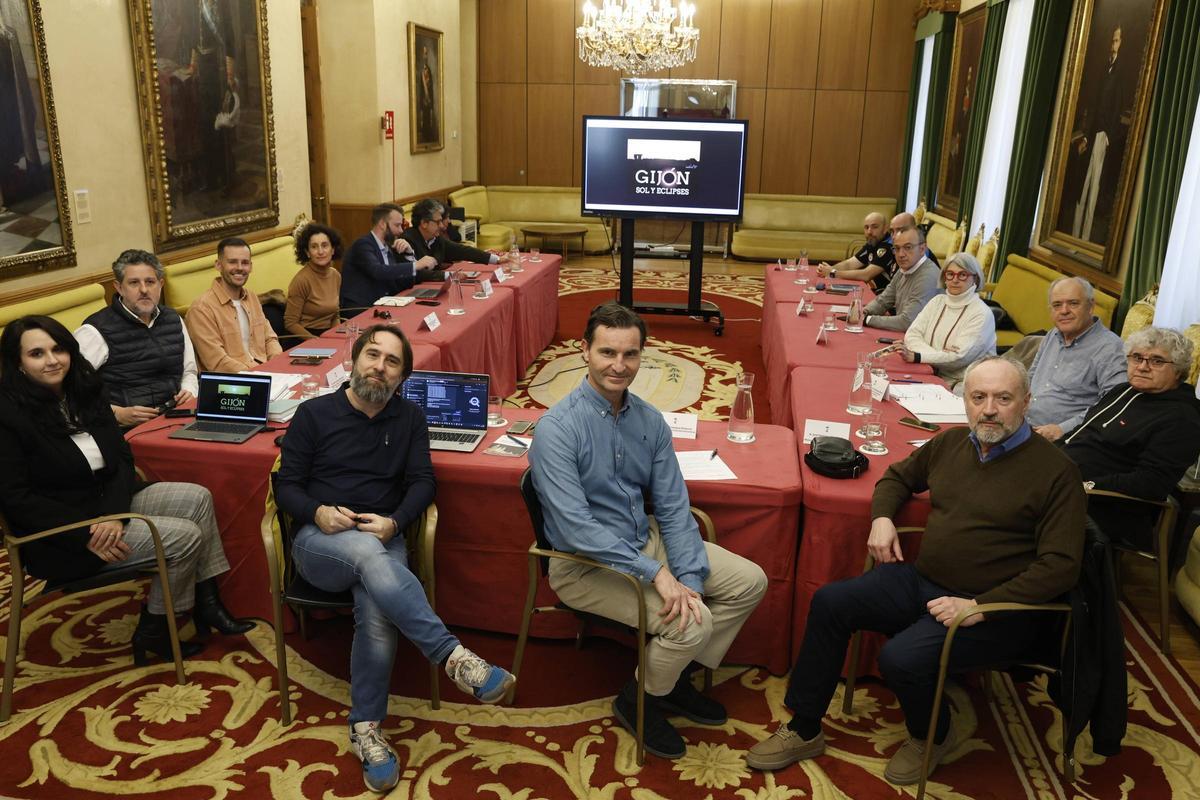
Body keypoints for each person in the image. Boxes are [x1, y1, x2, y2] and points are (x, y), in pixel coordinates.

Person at [746, 356, 1087, 786]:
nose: (989, 409)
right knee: (831, 601)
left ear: (1026, 401)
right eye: (978, 397)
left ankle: (932, 734)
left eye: (1003, 398)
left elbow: (1062, 566)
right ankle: (805, 726)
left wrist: (982, 605)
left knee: (900, 658)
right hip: (925, 582)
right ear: (965, 400)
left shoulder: (1057, 472)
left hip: (995, 608)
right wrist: (883, 518)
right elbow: (894, 479)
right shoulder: (951, 443)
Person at [276, 324, 514, 794]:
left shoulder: (409, 418)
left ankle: (365, 729)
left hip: (382, 538)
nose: (379, 367)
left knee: (376, 610)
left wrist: (396, 521)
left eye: (392, 362)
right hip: (320, 543)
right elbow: (286, 486)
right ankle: (452, 656)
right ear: (353, 358)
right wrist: (318, 512)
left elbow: (422, 482)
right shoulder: (313, 414)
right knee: (368, 553)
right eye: (372, 355)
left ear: (402, 376)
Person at [528, 302, 767, 760]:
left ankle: (669, 680)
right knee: (694, 623)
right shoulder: (557, 429)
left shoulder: (650, 420)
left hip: (645, 538)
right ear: (585, 352)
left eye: (630, 354)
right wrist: (657, 573)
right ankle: (637, 700)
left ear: (643, 355)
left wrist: (689, 579)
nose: (619, 365)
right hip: (585, 565)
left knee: (748, 582)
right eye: (607, 352)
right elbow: (575, 528)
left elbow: (676, 507)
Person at [0, 316, 252, 665]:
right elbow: (15, 498)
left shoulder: (83, 390)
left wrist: (113, 515)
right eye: (37, 354)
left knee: (197, 497)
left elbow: (120, 458)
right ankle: (155, 630)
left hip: (105, 508)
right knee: (185, 537)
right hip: (63, 537)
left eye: (58, 349)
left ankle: (207, 605)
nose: (52, 360)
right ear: (18, 363)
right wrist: (87, 530)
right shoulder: (9, 415)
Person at [1060, 327, 1200, 551]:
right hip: (1065, 483)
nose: (1143, 367)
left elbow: (1150, 484)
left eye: (1156, 361)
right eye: (1137, 357)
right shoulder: (1124, 390)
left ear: (1178, 370)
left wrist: (1084, 485)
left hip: (1107, 505)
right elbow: (1080, 433)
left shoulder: (1182, 419)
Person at [75, 249, 199, 428]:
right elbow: (71, 391)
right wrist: (116, 414)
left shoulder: (173, 319)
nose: (144, 290)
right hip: (126, 428)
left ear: (161, 284)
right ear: (119, 287)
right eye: (134, 283)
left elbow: (189, 371)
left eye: (150, 282)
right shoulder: (94, 331)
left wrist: (189, 391)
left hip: (178, 417)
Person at [1026, 277, 1127, 441]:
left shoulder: (1110, 348)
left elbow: (1112, 405)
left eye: (1073, 303)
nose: (1064, 310)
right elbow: (1031, 377)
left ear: (1091, 307)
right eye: (1057, 305)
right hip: (1023, 425)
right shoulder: (1053, 334)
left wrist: (1061, 429)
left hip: (1063, 437)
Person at [1070, 25, 1133, 244]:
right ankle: (1075, 236)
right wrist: (1086, 135)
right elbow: (1095, 105)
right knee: (1083, 185)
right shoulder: (1105, 68)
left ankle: (1084, 238)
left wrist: (1108, 136)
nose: (1113, 44)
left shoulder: (1121, 72)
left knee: (1094, 187)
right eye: (1112, 40)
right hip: (1093, 135)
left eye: (1117, 40)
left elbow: (1119, 107)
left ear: (1122, 43)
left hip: (1103, 136)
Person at [900, 252, 996, 391]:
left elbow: (958, 358)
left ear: (975, 279)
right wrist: (939, 355)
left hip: (965, 383)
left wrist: (919, 356)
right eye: (950, 274)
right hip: (927, 370)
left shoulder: (981, 313)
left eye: (962, 275)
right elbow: (912, 335)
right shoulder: (937, 301)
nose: (955, 280)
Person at [185, 237, 283, 372]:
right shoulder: (201, 309)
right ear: (218, 265)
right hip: (231, 383)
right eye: (232, 262)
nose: (239, 268)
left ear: (251, 266)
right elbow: (217, 362)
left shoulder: (252, 297)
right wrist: (259, 374)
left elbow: (270, 338)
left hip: (265, 374)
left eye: (245, 263)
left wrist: (277, 364)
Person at [339, 203, 434, 314]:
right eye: (397, 225)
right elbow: (377, 271)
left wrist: (409, 255)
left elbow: (404, 283)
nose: (401, 231)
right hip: (360, 310)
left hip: (382, 307)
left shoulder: (387, 247)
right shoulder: (363, 245)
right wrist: (416, 265)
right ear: (383, 224)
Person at [863, 225, 940, 331]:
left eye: (908, 247)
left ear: (922, 249)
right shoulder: (905, 268)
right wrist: (863, 312)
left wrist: (867, 320)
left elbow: (907, 322)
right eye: (897, 248)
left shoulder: (928, 276)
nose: (901, 254)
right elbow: (883, 301)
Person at [401, 198, 505, 266]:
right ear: (424, 223)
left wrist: (497, 259)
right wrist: (449, 276)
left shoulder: (435, 239)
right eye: (437, 222)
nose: (441, 226)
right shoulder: (408, 240)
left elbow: (463, 251)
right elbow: (419, 274)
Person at [285, 223, 343, 339]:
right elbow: (290, 323)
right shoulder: (301, 280)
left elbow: (335, 315)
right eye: (314, 247)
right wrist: (316, 341)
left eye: (325, 245)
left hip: (328, 335)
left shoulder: (336, 275)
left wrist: (336, 336)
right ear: (307, 253)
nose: (320, 251)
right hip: (305, 338)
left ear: (333, 250)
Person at [816, 212, 895, 291]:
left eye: (875, 227)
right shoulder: (873, 242)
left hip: (884, 297)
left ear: (885, 229)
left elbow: (866, 275)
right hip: (872, 291)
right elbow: (849, 264)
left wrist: (833, 273)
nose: (869, 232)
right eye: (866, 227)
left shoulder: (888, 247)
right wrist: (828, 269)